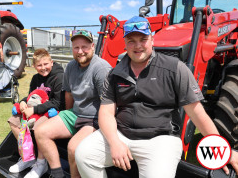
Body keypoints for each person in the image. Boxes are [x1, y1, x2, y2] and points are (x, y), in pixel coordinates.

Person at [75, 16, 238, 178]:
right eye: (131, 40)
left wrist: (223, 150)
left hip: (161, 139)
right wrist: (115, 142)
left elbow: (197, 114)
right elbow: (106, 113)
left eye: (143, 39)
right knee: (84, 155)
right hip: (122, 134)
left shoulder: (175, 69)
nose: (137, 46)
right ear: (125, 43)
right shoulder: (115, 73)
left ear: (152, 40)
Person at [33, 30, 112, 178]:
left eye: (84, 47)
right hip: (76, 114)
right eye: (76, 47)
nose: (80, 51)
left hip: (93, 118)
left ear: (93, 46)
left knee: (73, 148)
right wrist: (66, 116)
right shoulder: (70, 67)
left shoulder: (101, 69)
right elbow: (68, 94)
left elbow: (108, 104)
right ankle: (57, 174)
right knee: (40, 131)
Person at [8, 48, 64, 176]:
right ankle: (28, 157)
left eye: (46, 64)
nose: (43, 68)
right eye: (39, 65)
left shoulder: (59, 77)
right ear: (34, 66)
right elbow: (31, 96)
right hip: (35, 111)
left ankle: (41, 163)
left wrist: (34, 109)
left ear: (52, 62)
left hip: (50, 112)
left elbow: (57, 102)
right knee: (14, 121)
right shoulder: (35, 78)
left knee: (40, 128)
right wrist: (23, 101)